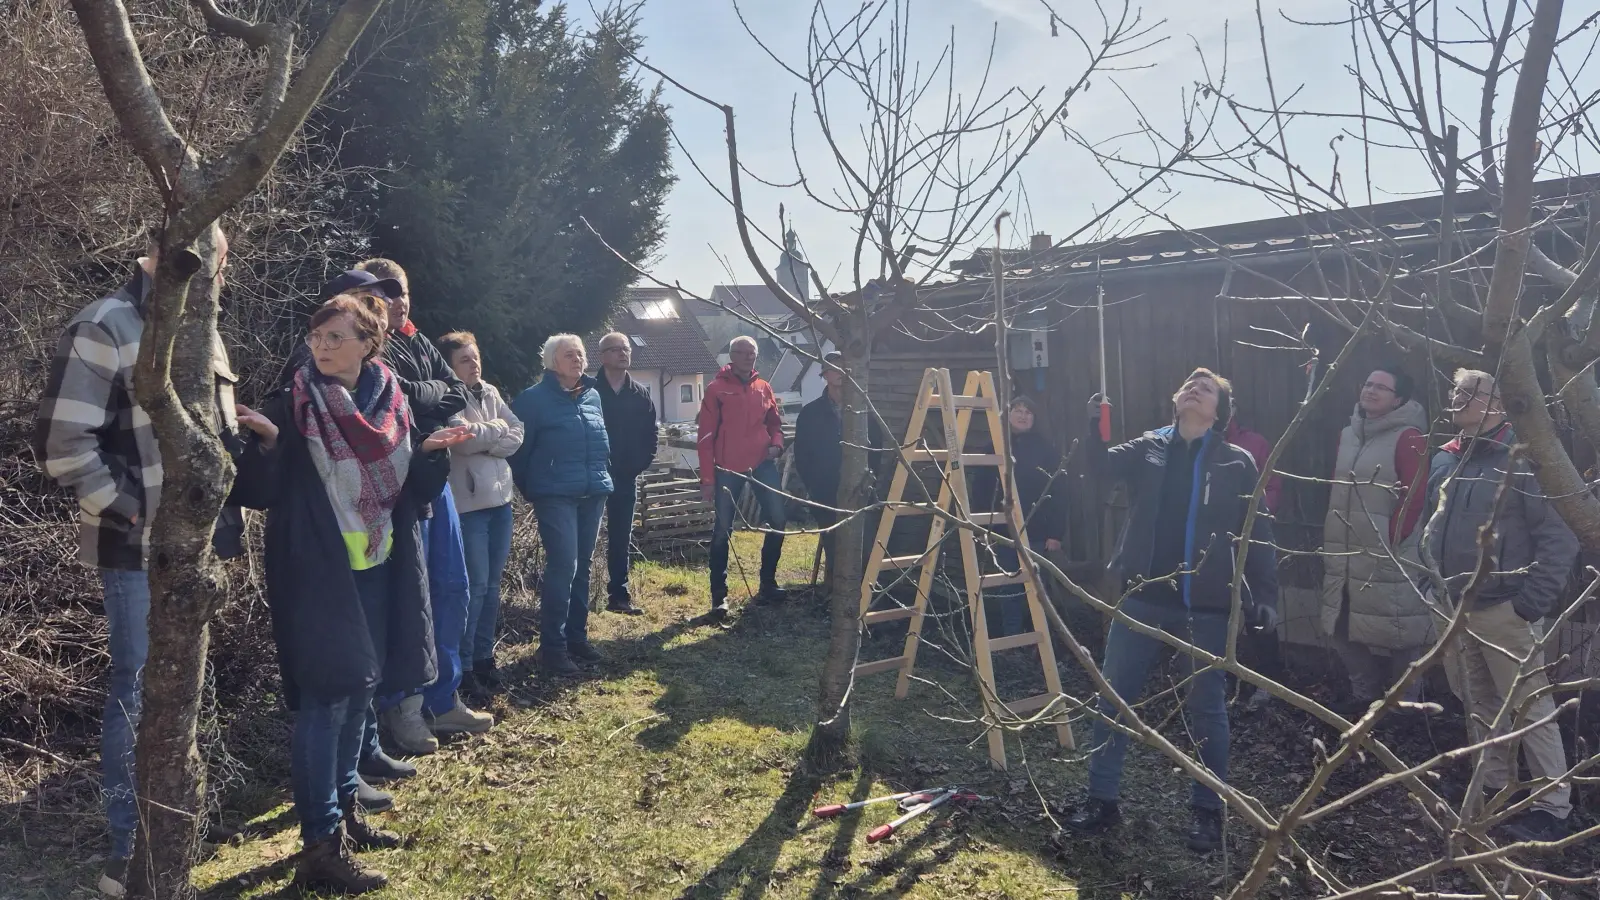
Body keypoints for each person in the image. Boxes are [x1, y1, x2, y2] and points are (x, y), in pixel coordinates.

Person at [230, 292, 472, 893]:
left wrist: (433, 457)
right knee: (325, 701)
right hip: (315, 570)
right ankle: (320, 845)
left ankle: (345, 817)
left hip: (378, 561)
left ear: (371, 344)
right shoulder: (291, 402)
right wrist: (264, 446)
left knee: (359, 691)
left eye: (335, 337)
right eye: (317, 338)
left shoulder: (392, 399)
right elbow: (258, 493)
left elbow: (409, 491)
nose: (322, 348)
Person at [34, 232, 245, 898]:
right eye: (192, 249)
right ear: (156, 252)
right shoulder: (107, 324)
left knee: (183, 685)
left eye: (215, 252)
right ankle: (134, 854)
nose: (206, 264)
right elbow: (62, 443)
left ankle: (175, 835)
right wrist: (131, 510)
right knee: (139, 690)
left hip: (200, 547)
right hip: (137, 547)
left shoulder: (203, 331)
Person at [1068, 369, 1280, 853]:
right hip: (1141, 597)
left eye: (1205, 389)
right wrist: (1093, 425)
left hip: (1205, 608)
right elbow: (1097, 467)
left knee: (1206, 711)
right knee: (1114, 699)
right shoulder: (1150, 447)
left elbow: (1259, 531)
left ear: (1219, 410)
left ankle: (1208, 813)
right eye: (1188, 384)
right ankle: (1101, 801)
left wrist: (1264, 594)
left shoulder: (1236, 462)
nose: (1193, 389)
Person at [1424, 369, 1577, 844]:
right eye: (1455, 390)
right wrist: (1429, 585)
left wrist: (1528, 605)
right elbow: (1430, 527)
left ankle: (1554, 808)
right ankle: (1493, 788)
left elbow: (1561, 535)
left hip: (1504, 610)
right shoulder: (1446, 459)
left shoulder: (1525, 459)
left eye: (1470, 392)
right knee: (1477, 703)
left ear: (1499, 404)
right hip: (1452, 607)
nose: (1458, 398)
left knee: (1531, 708)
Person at [349, 260, 492, 756]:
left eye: (403, 291)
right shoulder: (360, 346)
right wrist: (424, 396)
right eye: (386, 292)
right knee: (409, 598)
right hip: (392, 491)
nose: (398, 301)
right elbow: (398, 400)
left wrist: (424, 396)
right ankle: (402, 706)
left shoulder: (417, 338)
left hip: (436, 480)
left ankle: (442, 696)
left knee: (451, 586)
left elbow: (451, 394)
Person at [1320, 366, 1432, 714]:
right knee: (1337, 622)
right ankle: (1365, 693)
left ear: (1398, 399)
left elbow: (1415, 496)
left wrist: (1393, 539)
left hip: (1390, 551)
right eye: (1367, 384)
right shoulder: (1347, 434)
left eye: (1381, 387)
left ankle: (1406, 705)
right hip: (1345, 547)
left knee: (1402, 630)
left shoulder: (1410, 436)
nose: (1370, 390)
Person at [510, 334, 614, 678]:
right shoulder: (533, 400)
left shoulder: (593, 396)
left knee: (582, 566)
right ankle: (552, 648)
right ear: (552, 362)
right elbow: (519, 453)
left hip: (592, 491)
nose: (578, 359)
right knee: (564, 566)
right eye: (569, 355)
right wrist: (535, 489)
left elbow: (600, 442)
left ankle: (576, 638)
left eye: (581, 354)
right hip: (554, 495)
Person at [438, 331, 524, 696]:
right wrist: (495, 434)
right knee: (473, 588)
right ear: (450, 366)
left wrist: (487, 438)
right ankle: (465, 665)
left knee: (491, 588)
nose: (473, 365)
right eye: (464, 360)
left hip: (501, 502)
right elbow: (460, 438)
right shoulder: (446, 395)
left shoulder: (489, 391)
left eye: (475, 358)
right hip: (470, 506)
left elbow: (518, 428)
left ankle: (486, 657)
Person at [697, 336, 788, 620]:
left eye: (753, 353)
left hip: (762, 463)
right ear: (731, 356)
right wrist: (708, 480)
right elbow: (706, 437)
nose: (749, 358)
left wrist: (776, 443)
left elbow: (775, 423)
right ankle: (718, 598)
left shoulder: (764, 387)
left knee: (779, 521)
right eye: (743, 353)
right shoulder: (716, 389)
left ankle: (768, 585)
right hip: (727, 468)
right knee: (723, 531)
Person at [968, 395, 1066, 637]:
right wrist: (982, 527)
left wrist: (1055, 533)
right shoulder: (995, 448)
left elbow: (1060, 492)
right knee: (1008, 586)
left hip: (1037, 530)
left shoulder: (1046, 450)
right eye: (1018, 410)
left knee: (1036, 587)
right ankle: (1013, 636)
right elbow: (980, 490)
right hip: (1004, 530)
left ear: (1035, 418)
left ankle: (1039, 637)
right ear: (1008, 415)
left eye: (1028, 412)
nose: (1023, 416)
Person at [793, 351, 887, 588]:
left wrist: (868, 481)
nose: (840, 374)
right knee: (835, 548)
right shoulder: (811, 414)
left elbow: (877, 447)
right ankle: (838, 603)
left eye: (844, 368)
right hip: (825, 492)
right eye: (834, 369)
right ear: (825, 375)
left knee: (865, 546)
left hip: (860, 491)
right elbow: (802, 455)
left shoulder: (863, 411)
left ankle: (865, 600)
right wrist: (814, 488)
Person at [595, 331, 658, 616]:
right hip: (593, 475)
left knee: (621, 537)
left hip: (625, 477)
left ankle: (619, 596)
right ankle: (580, 598)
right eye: (616, 349)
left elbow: (651, 434)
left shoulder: (640, 393)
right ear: (602, 356)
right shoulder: (588, 390)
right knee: (586, 538)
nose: (623, 353)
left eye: (627, 349)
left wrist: (639, 464)